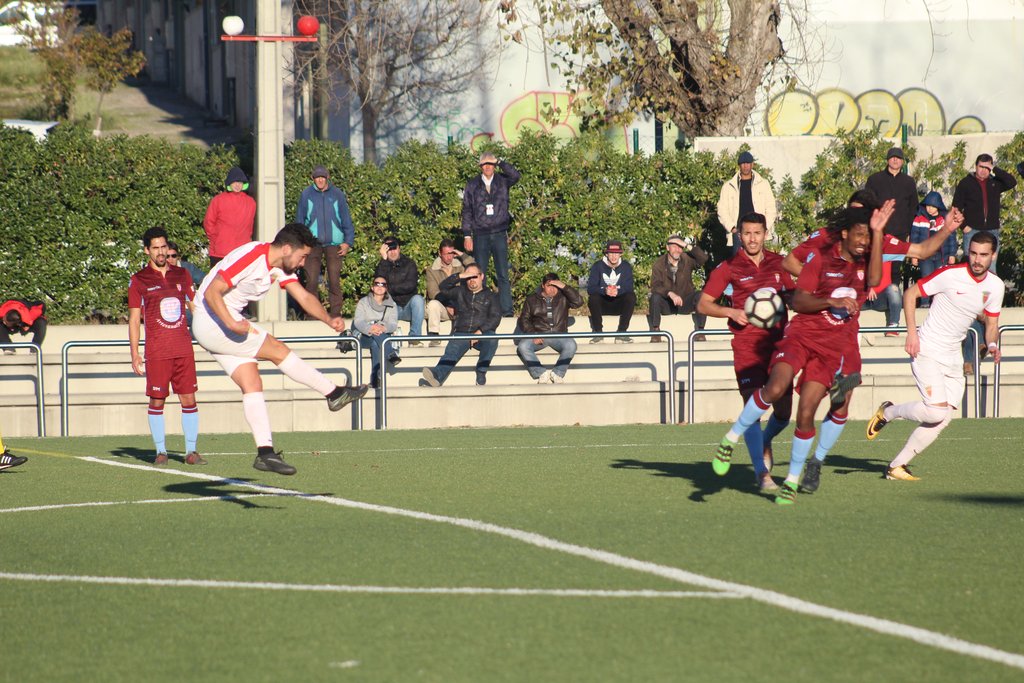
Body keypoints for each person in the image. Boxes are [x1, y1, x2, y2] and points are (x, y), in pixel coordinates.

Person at [780, 190, 962, 495]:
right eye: (855, 214)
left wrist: (946, 228)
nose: (860, 222)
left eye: (866, 216)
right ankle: (784, 458)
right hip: (815, 330)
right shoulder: (826, 237)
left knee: (842, 400)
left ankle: (817, 460)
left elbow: (921, 250)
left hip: (846, 336)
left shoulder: (880, 241)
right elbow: (789, 262)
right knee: (806, 405)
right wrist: (826, 286)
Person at [713, 206, 884, 505]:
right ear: (844, 234)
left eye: (867, 237)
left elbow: (880, 274)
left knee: (803, 412)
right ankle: (734, 441)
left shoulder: (864, 261)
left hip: (831, 350)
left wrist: (880, 232)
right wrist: (828, 300)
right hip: (792, 339)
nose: (863, 242)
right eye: (860, 235)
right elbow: (802, 300)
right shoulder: (817, 258)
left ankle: (795, 477)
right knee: (775, 387)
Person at [192, 223, 368, 476]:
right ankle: (333, 392)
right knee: (277, 349)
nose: (303, 263)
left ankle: (265, 453)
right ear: (286, 249)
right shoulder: (253, 256)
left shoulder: (277, 267)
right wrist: (231, 323)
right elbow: (212, 292)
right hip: (213, 321)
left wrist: (329, 319)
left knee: (252, 383)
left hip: (219, 324)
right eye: (302, 256)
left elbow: (304, 297)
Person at [866, 232, 1003, 481]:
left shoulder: (996, 286)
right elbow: (910, 294)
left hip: (953, 355)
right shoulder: (950, 274)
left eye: (983, 255)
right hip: (927, 347)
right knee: (935, 412)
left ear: (992, 256)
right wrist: (911, 334)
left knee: (943, 418)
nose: (977, 259)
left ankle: (896, 467)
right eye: (973, 253)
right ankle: (889, 412)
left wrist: (992, 344)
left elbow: (992, 323)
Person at [698, 212, 794, 492]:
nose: (752, 239)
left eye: (757, 233)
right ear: (739, 235)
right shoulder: (728, 267)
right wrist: (730, 312)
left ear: (766, 234)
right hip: (747, 346)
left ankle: (765, 439)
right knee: (752, 408)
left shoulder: (780, 263)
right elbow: (703, 304)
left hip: (778, 346)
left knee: (784, 413)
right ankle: (762, 474)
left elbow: (793, 295)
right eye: (747, 233)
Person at [128, 227, 203, 466]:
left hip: (183, 349)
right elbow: (134, 319)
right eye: (155, 248)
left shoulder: (182, 275)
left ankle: (191, 451)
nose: (161, 252)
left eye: (163, 247)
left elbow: (195, 308)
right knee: (157, 401)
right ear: (147, 250)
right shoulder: (139, 280)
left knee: (189, 399)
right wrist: (134, 354)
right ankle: (161, 451)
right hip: (157, 352)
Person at [461, 152, 521, 317]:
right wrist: (467, 235)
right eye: (484, 164)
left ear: (494, 166)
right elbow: (466, 209)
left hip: (499, 233)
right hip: (480, 234)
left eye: (490, 164)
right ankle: (483, 310)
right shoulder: (472, 184)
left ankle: (507, 311)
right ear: (480, 166)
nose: (487, 167)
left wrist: (500, 162)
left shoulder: (502, 181)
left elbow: (516, 176)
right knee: (481, 274)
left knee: (503, 274)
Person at [421, 264, 501, 387]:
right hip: (462, 331)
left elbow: (495, 317)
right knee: (451, 352)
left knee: (492, 339)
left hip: (482, 333)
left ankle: (481, 371)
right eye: (468, 277)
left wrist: (480, 331)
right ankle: (437, 376)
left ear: (482, 276)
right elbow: (443, 287)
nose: (471, 280)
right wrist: (460, 276)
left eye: (474, 276)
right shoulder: (460, 291)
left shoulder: (491, 296)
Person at [295, 165, 356, 317]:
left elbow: (345, 219)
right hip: (312, 244)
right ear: (313, 179)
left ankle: (335, 315)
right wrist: (301, 242)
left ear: (328, 177)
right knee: (311, 281)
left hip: (334, 244)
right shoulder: (306, 194)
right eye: (317, 178)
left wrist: (347, 242)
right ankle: (312, 315)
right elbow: (300, 220)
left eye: (323, 177)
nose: (320, 180)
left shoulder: (337, 194)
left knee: (334, 281)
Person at [952, 154, 1017, 273]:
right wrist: (964, 226)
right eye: (981, 167)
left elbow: (1012, 182)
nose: (983, 170)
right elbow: (955, 208)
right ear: (976, 166)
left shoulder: (995, 183)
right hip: (972, 231)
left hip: (992, 231)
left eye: (987, 168)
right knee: (971, 267)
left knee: (990, 268)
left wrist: (994, 168)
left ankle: (989, 287)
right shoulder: (966, 183)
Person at [516, 272, 584, 383]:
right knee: (523, 346)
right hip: (539, 334)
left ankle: (557, 373)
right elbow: (524, 319)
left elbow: (579, 302)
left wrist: (564, 286)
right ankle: (540, 372)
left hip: (559, 334)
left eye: (555, 286)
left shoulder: (563, 297)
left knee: (571, 345)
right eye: (549, 286)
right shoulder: (532, 299)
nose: (552, 289)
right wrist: (533, 333)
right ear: (543, 285)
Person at [648, 233, 708, 342]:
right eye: (674, 246)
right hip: (668, 303)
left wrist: (686, 245)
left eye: (680, 247)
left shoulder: (687, 259)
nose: (678, 250)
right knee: (655, 297)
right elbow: (655, 286)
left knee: (701, 295)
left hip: (685, 301)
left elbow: (703, 258)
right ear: (667, 247)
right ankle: (656, 331)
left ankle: (700, 331)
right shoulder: (659, 264)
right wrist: (670, 293)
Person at [716, 151, 777, 254]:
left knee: (758, 261)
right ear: (739, 165)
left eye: (748, 163)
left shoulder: (763, 184)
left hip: (757, 231)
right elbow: (722, 210)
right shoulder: (728, 186)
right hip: (739, 232)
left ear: (752, 164)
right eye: (743, 163)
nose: (745, 166)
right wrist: (732, 228)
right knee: (739, 262)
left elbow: (771, 208)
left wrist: (764, 227)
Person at [374, 236, 425, 345]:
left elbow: (410, 286)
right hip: (392, 307)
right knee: (384, 301)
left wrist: (390, 288)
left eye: (395, 249)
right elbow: (379, 286)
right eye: (389, 249)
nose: (392, 252)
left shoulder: (409, 264)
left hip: (408, 307)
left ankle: (414, 339)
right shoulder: (382, 265)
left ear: (399, 249)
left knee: (418, 300)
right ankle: (387, 338)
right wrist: (384, 260)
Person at [909, 192, 956, 308]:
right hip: (925, 255)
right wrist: (914, 255)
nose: (929, 208)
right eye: (928, 205)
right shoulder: (919, 218)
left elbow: (951, 237)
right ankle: (925, 302)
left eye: (933, 206)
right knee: (926, 277)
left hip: (941, 255)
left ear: (938, 206)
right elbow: (914, 237)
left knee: (940, 278)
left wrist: (952, 254)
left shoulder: (944, 219)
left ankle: (938, 303)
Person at [352, 275, 400, 389]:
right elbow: (358, 321)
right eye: (376, 284)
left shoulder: (392, 305)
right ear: (372, 287)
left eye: (383, 285)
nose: (379, 286)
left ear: (386, 288)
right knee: (376, 338)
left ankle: (375, 380)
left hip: (381, 336)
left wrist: (383, 328)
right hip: (364, 336)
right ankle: (391, 354)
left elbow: (393, 324)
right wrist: (370, 328)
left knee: (375, 343)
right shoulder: (363, 302)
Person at [203, 166, 256, 268]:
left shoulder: (251, 202)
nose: (237, 184)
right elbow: (208, 222)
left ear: (244, 184)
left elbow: (250, 226)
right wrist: (216, 238)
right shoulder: (218, 200)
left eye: (240, 182)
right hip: (220, 252)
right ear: (229, 183)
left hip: (241, 252)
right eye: (234, 181)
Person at [425, 238, 475, 346]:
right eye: (446, 254)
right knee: (433, 304)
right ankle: (434, 337)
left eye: (451, 253)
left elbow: (475, 267)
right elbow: (433, 293)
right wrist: (448, 304)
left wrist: (461, 254)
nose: (449, 257)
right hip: (444, 307)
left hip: (460, 306)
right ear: (439, 253)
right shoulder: (431, 270)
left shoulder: (460, 267)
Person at [587, 240, 635, 343]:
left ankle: (622, 333)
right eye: (611, 253)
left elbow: (629, 287)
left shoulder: (626, 266)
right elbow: (590, 288)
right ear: (606, 254)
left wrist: (618, 291)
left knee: (631, 296)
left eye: (616, 253)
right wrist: (604, 290)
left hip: (619, 304)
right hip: (602, 304)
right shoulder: (597, 266)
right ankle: (598, 334)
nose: (614, 256)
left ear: (620, 254)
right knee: (593, 298)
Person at [862, 260, 902, 336]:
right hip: (862, 299)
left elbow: (896, 278)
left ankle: (893, 327)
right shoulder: (862, 255)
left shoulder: (891, 257)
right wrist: (868, 287)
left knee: (894, 288)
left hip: (882, 300)